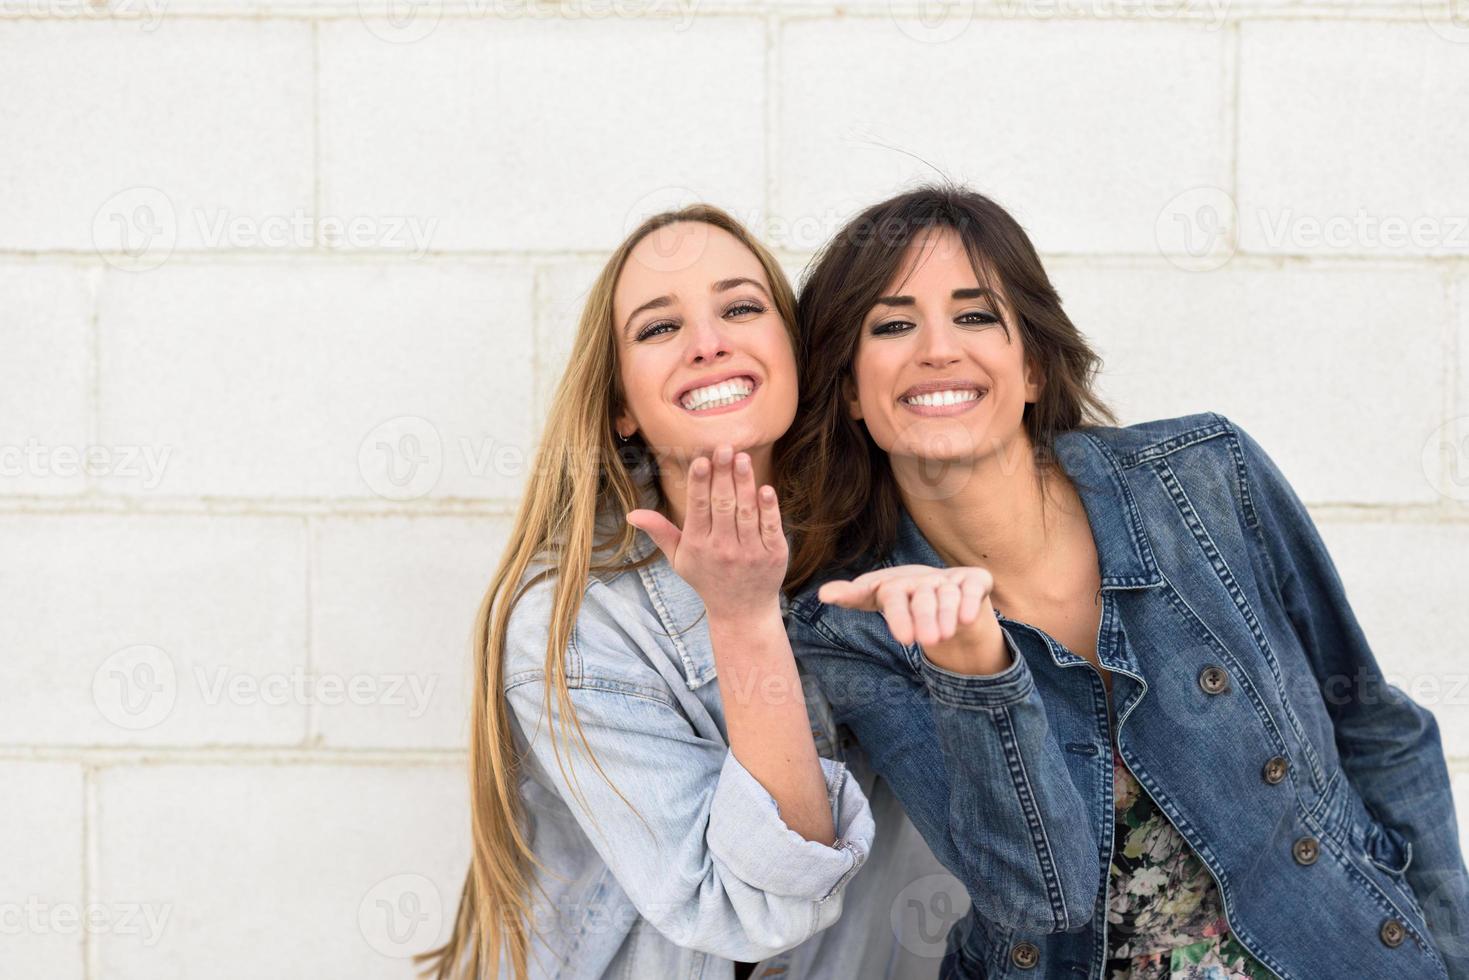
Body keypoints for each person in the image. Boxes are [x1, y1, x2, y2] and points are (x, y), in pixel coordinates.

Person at [781, 182, 1469, 979]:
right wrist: (975, 674)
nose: (937, 349)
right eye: (892, 325)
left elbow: (1379, 729)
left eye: (975, 316)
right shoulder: (849, 624)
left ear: (1033, 364)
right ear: (851, 392)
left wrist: (1449, 954)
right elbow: (1037, 895)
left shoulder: (1205, 476)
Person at [418, 203, 954, 980]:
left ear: (798, 358)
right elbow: (753, 910)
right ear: (622, 409)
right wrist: (740, 616)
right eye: (657, 328)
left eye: (740, 307)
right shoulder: (571, 624)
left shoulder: (886, 552)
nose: (708, 343)